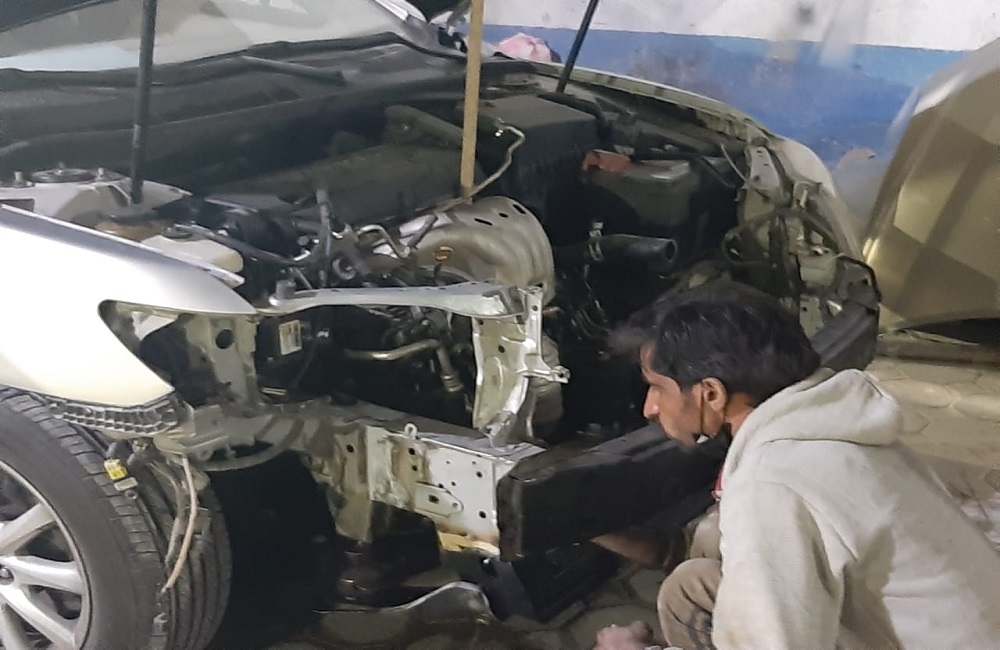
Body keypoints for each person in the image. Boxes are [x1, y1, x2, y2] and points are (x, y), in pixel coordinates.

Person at [589, 281, 1000, 650]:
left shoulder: (773, 485)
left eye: (657, 387)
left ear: (711, 394)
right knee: (690, 588)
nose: (650, 407)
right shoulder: (834, 427)